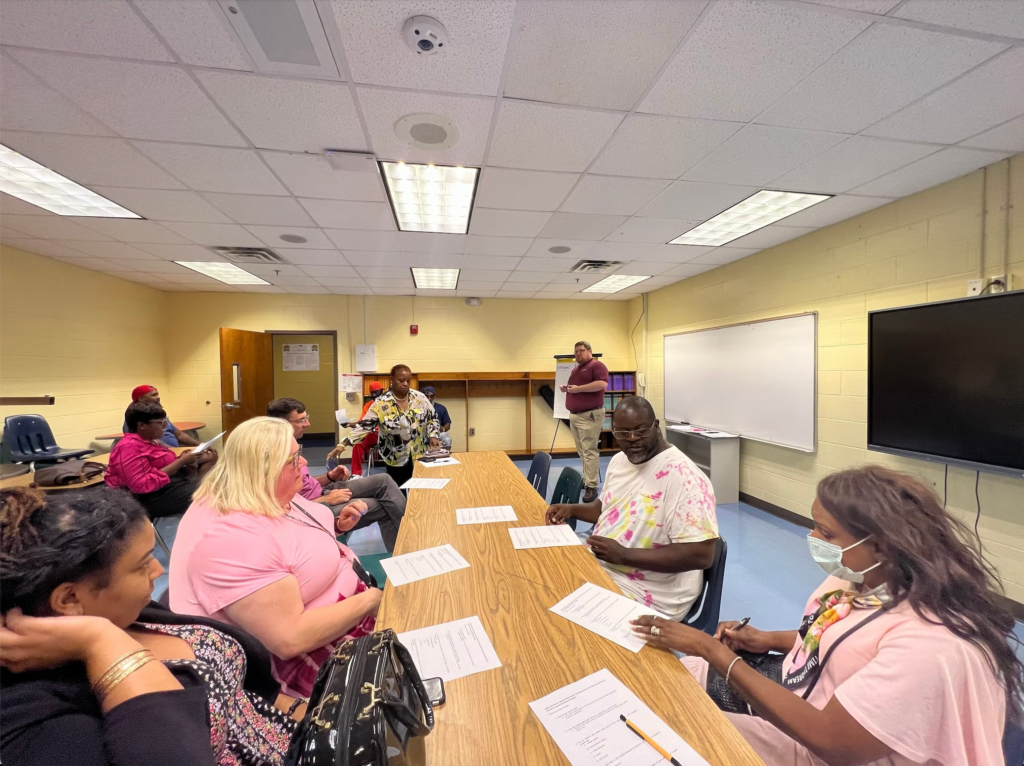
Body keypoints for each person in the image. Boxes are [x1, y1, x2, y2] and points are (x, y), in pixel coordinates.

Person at [631, 466, 1022, 766]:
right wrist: (770, 639)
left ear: (883, 546)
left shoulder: (931, 648)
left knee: (675, 725)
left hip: (826, 744)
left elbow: (833, 742)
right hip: (808, 697)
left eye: (826, 533)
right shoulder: (857, 579)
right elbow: (840, 637)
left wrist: (714, 652)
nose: (813, 540)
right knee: (672, 684)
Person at [0, 486, 300, 766]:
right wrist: (101, 643)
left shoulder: (127, 611)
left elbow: (246, 693)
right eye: (142, 564)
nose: (158, 570)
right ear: (69, 598)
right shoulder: (33, 717)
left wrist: (301, 711)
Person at [170, 417, 382, 698]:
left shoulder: (263, 492)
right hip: (320, 655)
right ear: (262, 468)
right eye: (294, 459)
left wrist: (336, 527)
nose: (305, 465)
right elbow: (290, 639)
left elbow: (291, 538)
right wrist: (371, 600)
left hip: (351, 611)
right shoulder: (230, 539)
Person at [546, 396, 718, 620]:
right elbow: (605, 508)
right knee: (543, 578)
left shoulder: (686, 478)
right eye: (623, 434)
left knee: (560, 616)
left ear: (656, 427)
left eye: (640, 430)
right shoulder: (620, 461)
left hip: (652, 591)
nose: (633, 439)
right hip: (607, 567)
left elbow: (701, 555)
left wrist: (624, 555)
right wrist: (572, 509)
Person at [266, 397, 406, 553]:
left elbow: (304, 482)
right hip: (313, 506)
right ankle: (406, 551)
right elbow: (281, 505)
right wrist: (323, 500)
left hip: (322, 492)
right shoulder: (273, 456)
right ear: (282, 423)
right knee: (381, 506)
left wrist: (329, 477)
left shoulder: (290, 445)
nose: (307, 424)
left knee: (384, 481)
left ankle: (410, 534)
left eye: (307, 418)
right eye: (301, 420)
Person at [106, 401, 216, 521]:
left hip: (163, 487)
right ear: (141, 425)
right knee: (209, 491)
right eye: (160, 423)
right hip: (144, 498)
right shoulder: (128, 447)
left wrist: (183, 459)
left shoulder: (150, 441)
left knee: (212, 484)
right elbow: (141, 485)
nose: (165, 427)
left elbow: (158, 465)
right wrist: (181, 461)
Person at [335, 364, 440, 489]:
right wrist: (344, 443)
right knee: (399, 492)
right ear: (392, 380)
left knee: (419, 491)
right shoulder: (381, 403)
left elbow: (432, 419)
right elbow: (365, 425)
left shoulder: (420, 398)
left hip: (419, 454)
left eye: (408, 380)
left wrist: (433, 436)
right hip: (395, 457)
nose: (405, 384)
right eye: (401, 380)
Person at [560, 341, 609, 502]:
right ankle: (588, 480)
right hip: (575, 415)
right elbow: (577, 387)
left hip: (589, 415)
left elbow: (601, 384)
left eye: (581, 351)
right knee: (582, 451)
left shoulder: (597, 366)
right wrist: (567, 388)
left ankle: (592, 487)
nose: (578, 354)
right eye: (576, 352)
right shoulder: (576, 369)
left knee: (589, 451)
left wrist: (578, 389)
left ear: (590, 351)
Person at [121, 385, 199, 448]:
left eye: (157, 394)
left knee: (208, 455)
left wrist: (201, 445)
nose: (158, 397)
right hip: (158, 456)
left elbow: (179, 435)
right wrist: (172, 452)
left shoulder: (158, 415)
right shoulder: (132, 419)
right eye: (154, 395)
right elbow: (145, 443)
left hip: (174, 452)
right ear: (141, 398)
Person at [349, 381, 384, 476]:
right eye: (372, 393)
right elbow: (362, 423)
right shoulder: (368, 406)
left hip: (388, 434)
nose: (374, 395)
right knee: (358, 443)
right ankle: (356, 474)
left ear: (381, 391)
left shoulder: (388, 404)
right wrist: (349, 424)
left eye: (376, 392)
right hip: (373, 434)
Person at [422, 386, 452, 450]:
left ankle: (445, 455)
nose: (429, 398)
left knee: (446, 439)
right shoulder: (418, 408)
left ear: (434, 396)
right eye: (427, 396)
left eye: (431, 396)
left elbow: (448, 424)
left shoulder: (441, 408)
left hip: (438, 433)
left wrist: (443, 429)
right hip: (423, 434)